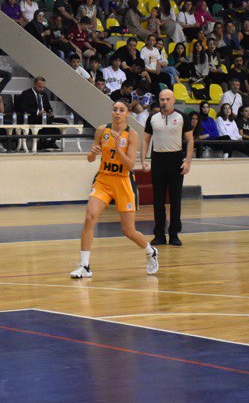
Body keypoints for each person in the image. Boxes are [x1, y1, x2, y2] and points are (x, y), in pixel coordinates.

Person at [70, 100, 159, 279]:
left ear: (127, 114)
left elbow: (129, 165)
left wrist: (119, 150)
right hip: (103, 180)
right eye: (115, 110)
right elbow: (90, 159)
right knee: (90, 217)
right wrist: (92, 153)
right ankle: (85, 266)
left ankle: (151, 251)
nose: (117, 112)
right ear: (111, 113)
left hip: (123, 183)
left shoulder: (132, 135)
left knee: (128, 231)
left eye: (121, 110)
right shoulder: (102, 130)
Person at [141, 88, 192, 245]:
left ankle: (174, 234)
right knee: (158, 199)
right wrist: (143, 159)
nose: (164, 102)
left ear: (173, 100)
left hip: (175, 159)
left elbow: (190, 140)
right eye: (162, 99)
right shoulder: (152, 118)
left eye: (167, 99)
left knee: (176, 199)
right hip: (158, 159)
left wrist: (188, 161)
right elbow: (145, 141)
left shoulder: (182, 117)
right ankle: (159, 234)